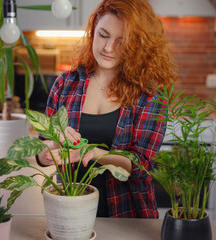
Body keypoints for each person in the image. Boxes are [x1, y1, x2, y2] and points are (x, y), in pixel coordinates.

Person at [36, 0, 177, 218]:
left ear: (136, 45)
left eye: (121, 41)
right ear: (93, 31)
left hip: (128, 216)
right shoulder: (66, 84)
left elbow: (141, 166)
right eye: (103, 35)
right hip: (70, 211)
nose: (109, 48)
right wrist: (52, 145)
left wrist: (93, 153)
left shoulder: (149, 95)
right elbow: (40, 148)